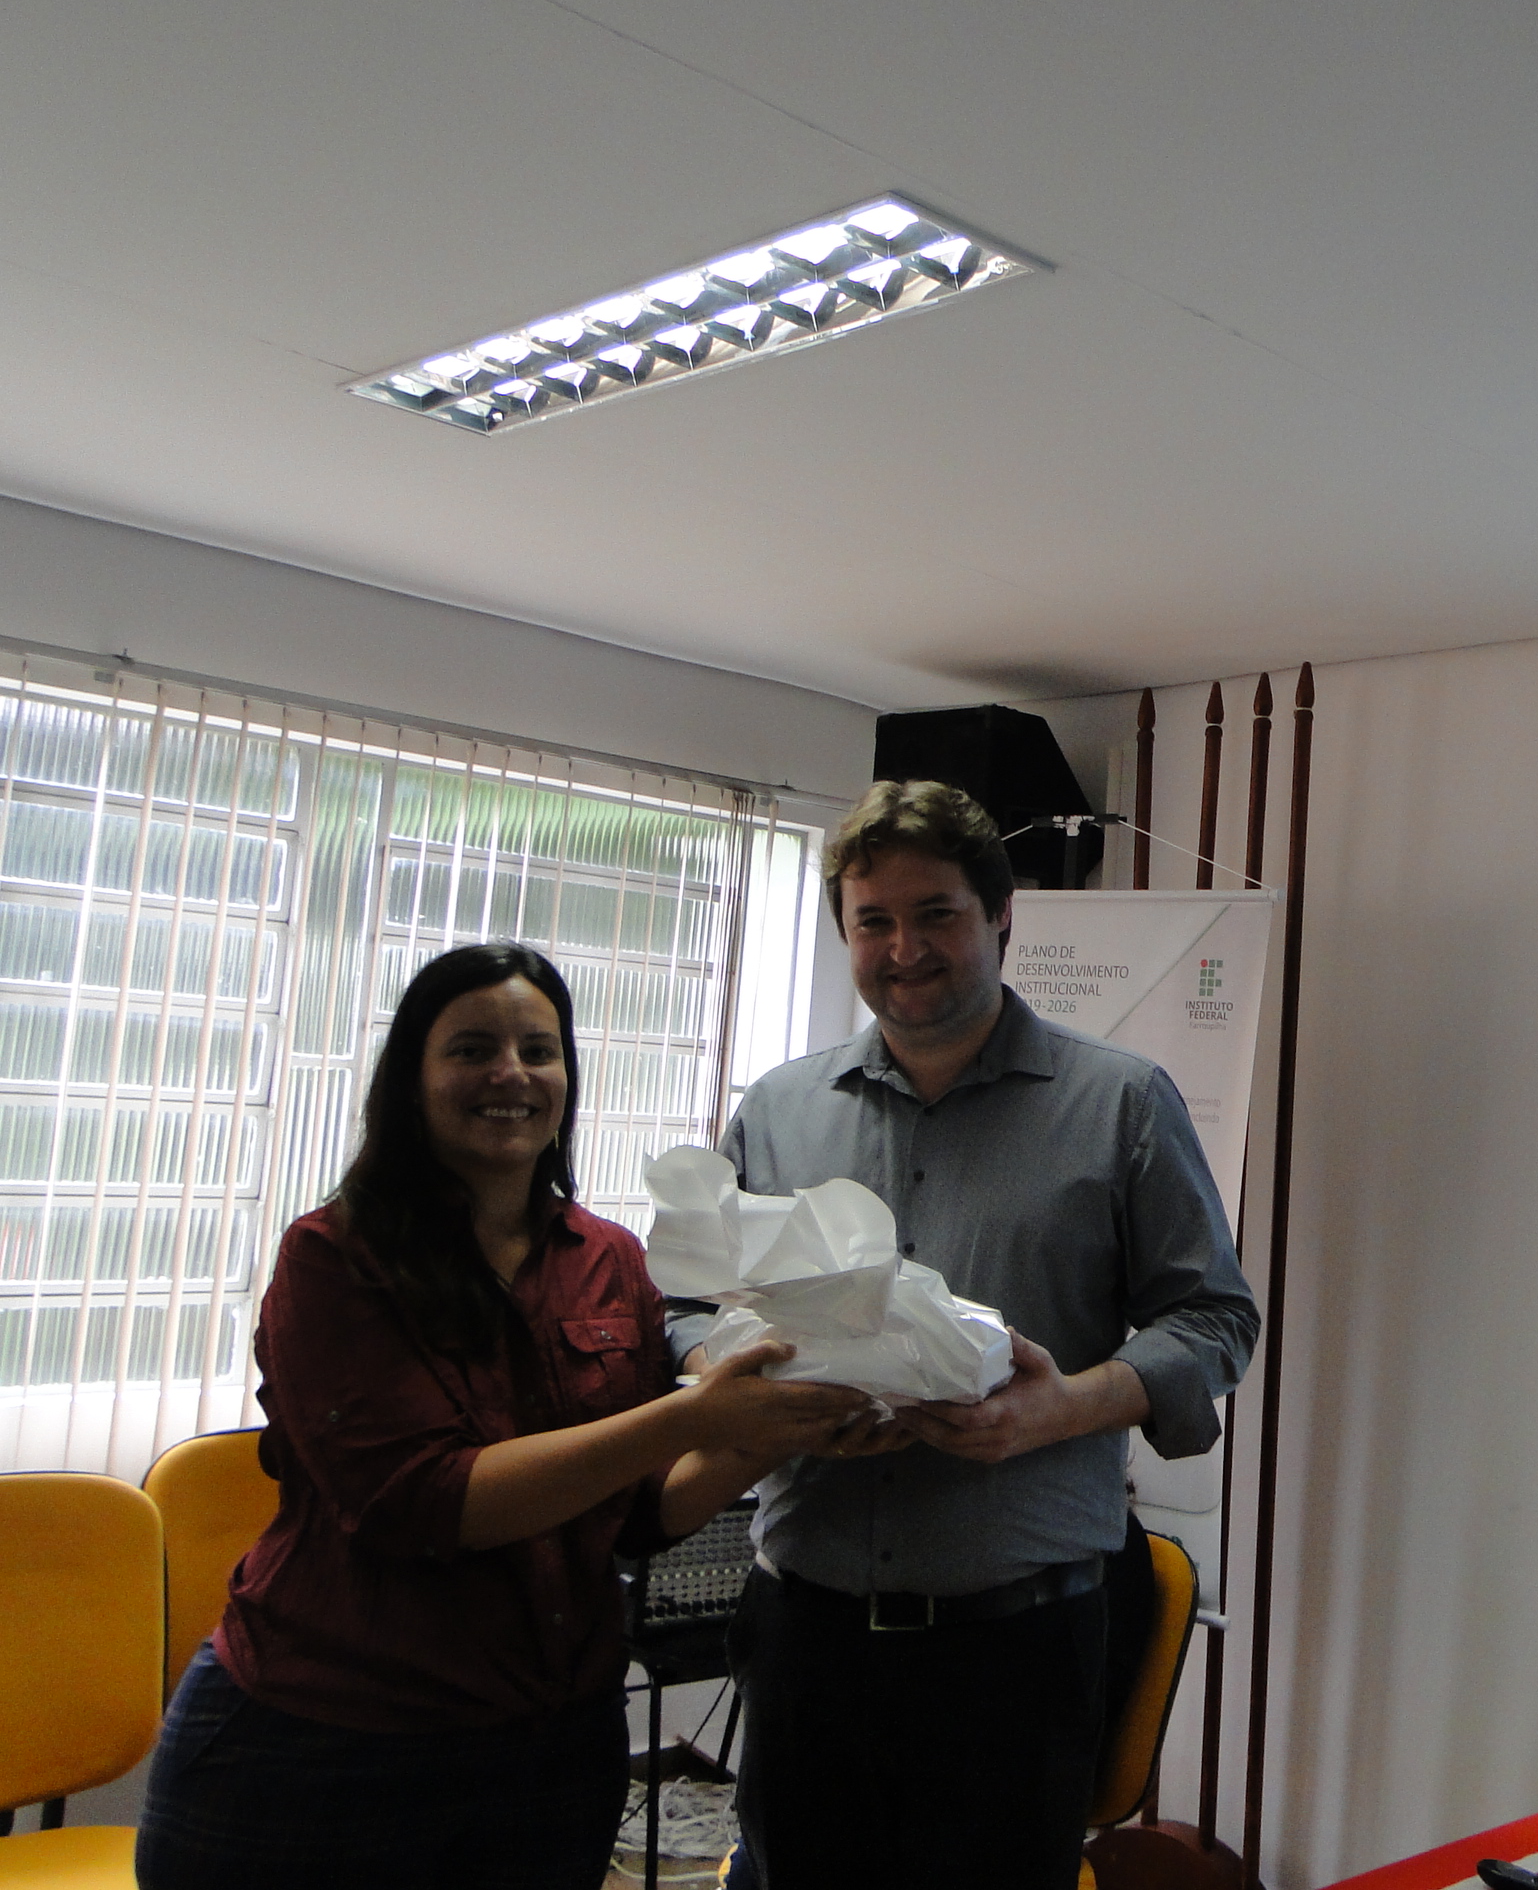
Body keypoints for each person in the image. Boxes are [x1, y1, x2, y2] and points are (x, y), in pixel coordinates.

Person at [137, 942, 866, 1890]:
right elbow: (424, 1502)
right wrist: (693, 1420)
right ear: (413, 1079)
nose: (511, 1074)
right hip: (323, 1748)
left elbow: (639, 1512)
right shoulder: (335, 1258)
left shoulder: (610, 1259)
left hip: (546, 1754)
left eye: (539, 1050)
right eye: (472, 1049)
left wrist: (776, 1435)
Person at [684, 779, 1259, 1889]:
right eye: (874, 921)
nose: (905, 949)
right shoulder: (778, 1110)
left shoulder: (1122, 1104)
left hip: (1015, 1654)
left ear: (1001, 916)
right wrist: (729, 1378)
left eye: (936, 914)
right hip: (807, 1642)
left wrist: (1064, 1409)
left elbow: (1215, 1317)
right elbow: (692, 1307)